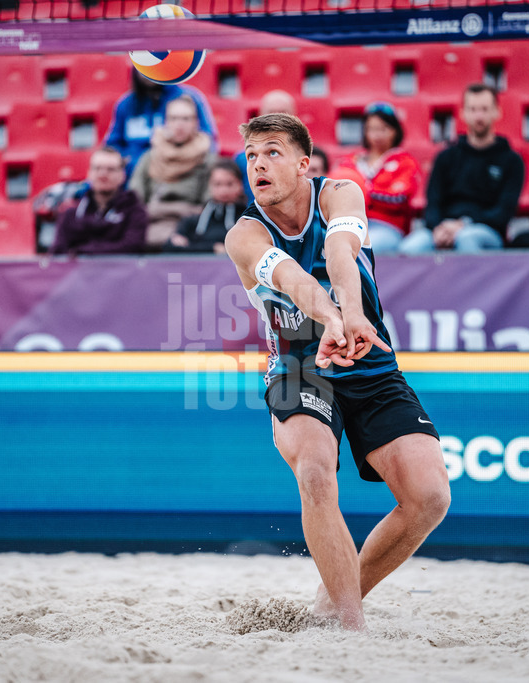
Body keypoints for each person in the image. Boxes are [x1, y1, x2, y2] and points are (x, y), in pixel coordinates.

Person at [225, 113, 450, 631]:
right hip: (299, 367)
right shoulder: (243, 235)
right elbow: (290, 276)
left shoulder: (341, 193)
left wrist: (349, 317)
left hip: (368, 361)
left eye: (273, 152)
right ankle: (350, 628)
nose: (258, 163)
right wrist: (330, 318)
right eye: (252, 155)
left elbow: (338, 251)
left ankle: (332, 600)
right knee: (314, 470)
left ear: (304, 163)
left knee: (429, 498)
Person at [400, 83, 525, 254]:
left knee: (467, 239)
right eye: (473, 109)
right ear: (463, 113)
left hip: (486, 232)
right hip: (443, 228)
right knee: (410, 247)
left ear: (497, 112)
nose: (478, 116)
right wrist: (439, 228)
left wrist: (463, 225)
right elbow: (433, 203)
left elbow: (503, 212)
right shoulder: (446, 157)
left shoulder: (512, 161)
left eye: (484, 109)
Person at [332, 102, 423, 254]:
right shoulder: (350, 162)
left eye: (384, 129)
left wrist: (363, 190)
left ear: (395, 130)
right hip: (350, 224)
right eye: (372, 129)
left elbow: (399, 199)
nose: (377, 135)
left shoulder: (405, 162)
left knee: (360, 248)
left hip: (388, 227)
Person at [128, 95, 217, 250]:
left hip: (190, 233)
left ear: (196, 123)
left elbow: (207, 209)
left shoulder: (208, 161)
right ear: (166, 122)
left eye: (186, 119)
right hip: (149, 231)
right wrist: (182, 209)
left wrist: (157, 209)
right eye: (174, 118)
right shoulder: (149, 158)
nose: (179, 125)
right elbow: (135, 205)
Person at [104, 68, 218, 178]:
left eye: (153, 64)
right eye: (143, 65)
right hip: (133, 175)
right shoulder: (125, 104)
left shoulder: (187, 97)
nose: (149, 70)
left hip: (181, 173)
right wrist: (127, 161)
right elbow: (112, 145)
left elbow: (207, 140)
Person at [49, 146, 148, 255]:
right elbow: (57, 254)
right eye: (97, 168)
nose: (103, 174)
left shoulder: (135, 212)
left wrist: (81, 252)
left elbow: (132, 248)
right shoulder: (71, 214)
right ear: (89, 173)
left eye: (110, 169)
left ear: (122, 175)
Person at [163, 158, 246, 254]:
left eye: (229, 184)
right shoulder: (192, 221)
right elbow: (170, 247)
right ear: (209, 185)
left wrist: (190, 246)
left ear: (240, 185)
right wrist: (213, 248)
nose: (223, 190)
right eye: (217, 184)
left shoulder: (247, 220)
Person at [234, 89, 299, 201]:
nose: (276, 118)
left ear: (294, 116)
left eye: (283, 112)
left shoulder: (309, 155)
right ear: (260, 116)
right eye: (270, 113)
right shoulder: (242, 158)